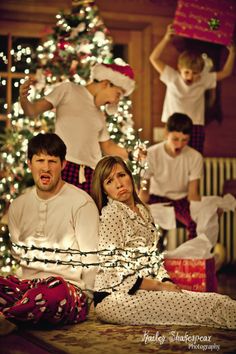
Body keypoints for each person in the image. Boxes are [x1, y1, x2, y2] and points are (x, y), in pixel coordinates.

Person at [90, 155, 236, 328]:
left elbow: (153, 257)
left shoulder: (143, 211)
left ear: (130, 176)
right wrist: (158, 286)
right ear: (104, 190)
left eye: (121, 175)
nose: (118, 184)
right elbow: (113, 270)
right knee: (206, 307)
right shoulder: (112, 214)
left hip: (144, 288)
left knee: (215, 301)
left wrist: (165, 281)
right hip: (115, 296)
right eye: (109, 181)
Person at [0, 133, 99, 327]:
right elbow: (20, 255)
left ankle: (8, 318)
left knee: (54, 291)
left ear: (63, 165)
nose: (45, 167)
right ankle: (20, 313)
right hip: (28, 288)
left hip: (67, 290)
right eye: (40, 160)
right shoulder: (19, 205)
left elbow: (92, 259)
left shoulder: (81, 203)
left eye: (52, 161)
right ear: (30, 163)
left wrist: (88, 298)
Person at [19, 61, 136, 194]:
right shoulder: (68, 90)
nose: (116, 101)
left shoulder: (99, 115)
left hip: (92, 174)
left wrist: (133, 154)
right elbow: (33, 111)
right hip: (66, 167)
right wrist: (24, 99)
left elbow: (108, 147)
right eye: (118, 94)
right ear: (105, 83)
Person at [150, 24, 236, 153]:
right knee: (172, 156)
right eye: (187, 72)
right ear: (179, 69)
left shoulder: (203, 79)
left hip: (195, 125)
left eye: (195, 73)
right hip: (172, 124)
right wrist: (166, 38)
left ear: (200, 73)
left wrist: (233, 53)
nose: (190, 76)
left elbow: (226, 72)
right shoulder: (172, 77)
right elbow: (153, 58)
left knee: (195, 157)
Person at [139, 113, 202, 239]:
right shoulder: (151, 154)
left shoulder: (195, 157)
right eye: (175, 139)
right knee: (146, 228)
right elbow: (144, 192)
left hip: (181, 200)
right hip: (155, 198)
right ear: (166, 134)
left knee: (196, 224)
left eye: (184, 140)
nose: (179, 145)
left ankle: (191, 257)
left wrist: (203, 211)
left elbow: (193, 194)